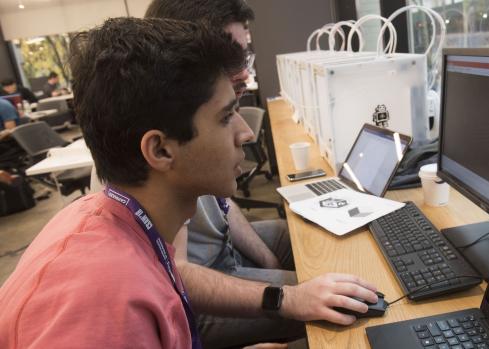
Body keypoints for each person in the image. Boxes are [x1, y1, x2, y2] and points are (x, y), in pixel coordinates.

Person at [0, 17, 257, 348]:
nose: (246, 133)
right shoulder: (107, 300)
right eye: (225, 117)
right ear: (161, 150)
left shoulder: (113, 219)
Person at [146, 1, 314, 347]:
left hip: (220, 255)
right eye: (230, 53)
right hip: (196, 291)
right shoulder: (168, 126)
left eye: (244, 53)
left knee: (294, 236)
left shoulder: (197, 112)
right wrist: (286, 296)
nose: (242, 71)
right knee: (323, 296)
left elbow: (220, 201)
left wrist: (266, 258)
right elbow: (177, 274)